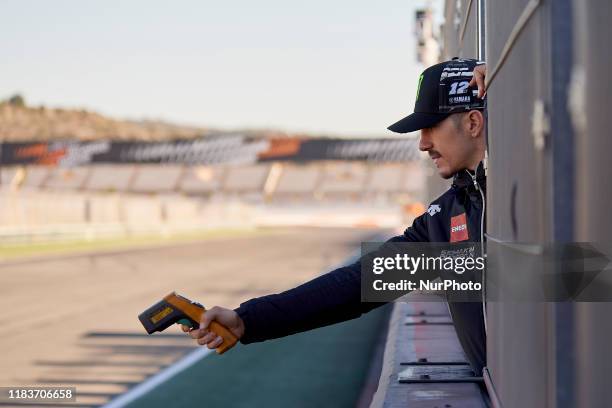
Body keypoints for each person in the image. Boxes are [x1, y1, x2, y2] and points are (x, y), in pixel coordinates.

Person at [182, 58, 490, 374]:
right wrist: (247, 320)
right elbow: (359, 283)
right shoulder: (448, 213)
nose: (423, 144)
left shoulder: (531, 186)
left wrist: (514, 70)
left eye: (431, 127)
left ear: (473, 123)